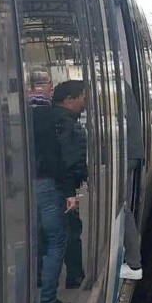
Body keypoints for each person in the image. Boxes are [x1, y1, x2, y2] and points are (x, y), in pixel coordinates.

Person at [28, 69, 81, 303]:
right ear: (46, 87)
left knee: (28, 241)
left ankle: (25, 297)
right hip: (47, 185)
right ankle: (47, 300)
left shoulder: (14, 115)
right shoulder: (51, 116)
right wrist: (69, 191)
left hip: (20, 189)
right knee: (55, 240)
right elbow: (58, 157)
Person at [52, 80, 89, 291]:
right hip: (63, 188)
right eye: (83, 98)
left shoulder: (61, 119)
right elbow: (65, 159)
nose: (85, 103)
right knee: (71, 229)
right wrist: (69, 192)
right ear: (69, 100)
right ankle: (74, 276)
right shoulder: (65, 123)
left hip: (60, 186)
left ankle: (42, 276)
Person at [119, 80, 146, 281]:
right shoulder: (121, 83)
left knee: (120, 207)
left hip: (126, 153)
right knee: (121, 206)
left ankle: (134, 263)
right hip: (131, 152)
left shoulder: (115, 83)